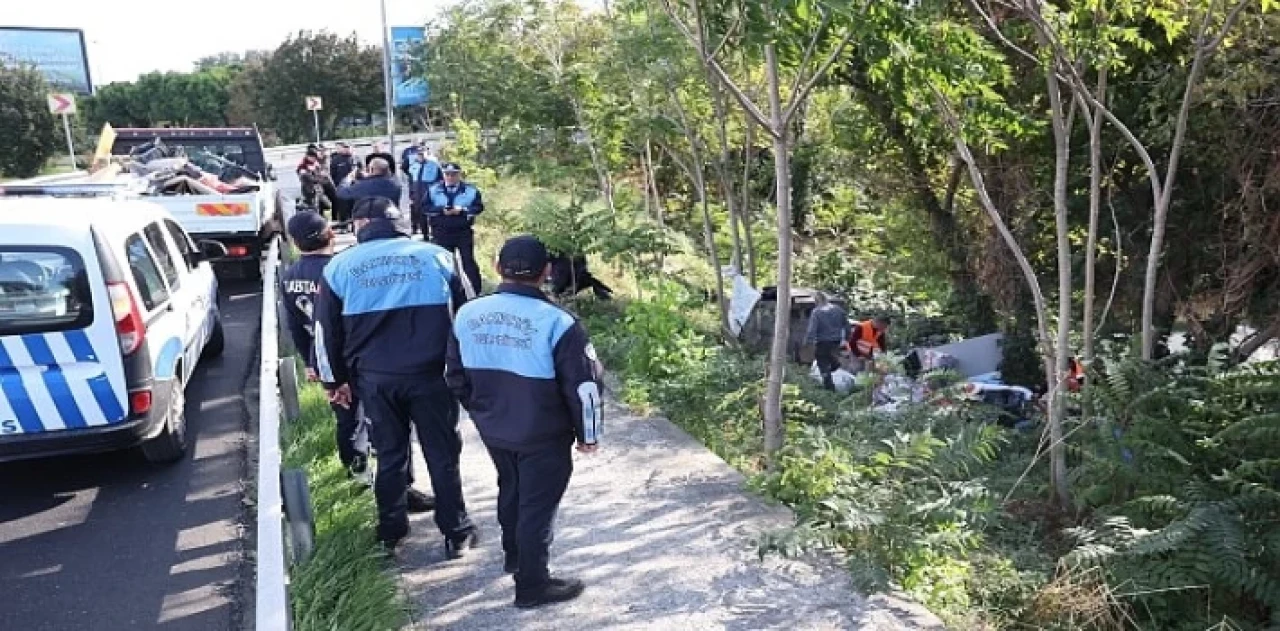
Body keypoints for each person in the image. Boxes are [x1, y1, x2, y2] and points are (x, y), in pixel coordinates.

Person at [445, 235, 603, 609]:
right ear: (546, 272)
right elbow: (585, 387)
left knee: (511, 488)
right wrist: (589, 434)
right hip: (544, 433)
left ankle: (515, 556)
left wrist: (484, 410)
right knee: (537, 506)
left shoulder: (468, 313)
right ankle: (532, 585)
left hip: (495, 429)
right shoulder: (559, 323)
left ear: (497, 268)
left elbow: (453, 375)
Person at [314, 197, 476, 552]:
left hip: (375, 380)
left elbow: (325, 334)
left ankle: (392, 532)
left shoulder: (340, 268)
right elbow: (467, 314)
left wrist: (333, 382)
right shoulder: (438, 256)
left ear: (359, 225)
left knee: (389, 453)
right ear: (398, 221)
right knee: (442, 453)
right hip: (433, 376)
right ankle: (456, 531)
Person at [281, 211, 434, 511]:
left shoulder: (289, 276)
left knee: (348, 423)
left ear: (296, 243)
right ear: (331, 234)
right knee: (389, 426)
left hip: (326, 360)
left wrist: (313, 364)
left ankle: (360, 481)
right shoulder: (343, 269)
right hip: (361, 358)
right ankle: (401, 489)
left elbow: (295, 327)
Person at [425, 162, 484, 294]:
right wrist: (440, 210)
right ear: (443, 175)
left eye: (454, 174)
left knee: (468, 262)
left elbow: (478, 207)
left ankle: (476, 291)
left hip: (463, 232)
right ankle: (445, 291)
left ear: (459, 175)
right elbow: (424, 208)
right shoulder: (433, 189)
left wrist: (462, 210)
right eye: (447, 174)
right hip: (441, 232)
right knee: (443, 263)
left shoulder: (471, 190)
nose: (450, 177)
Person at [804, 292, 850, 390]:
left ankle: (829, 388)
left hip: (823, 341)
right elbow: (847, 325)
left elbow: (812, 329)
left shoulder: (816, 312)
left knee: (822, 362)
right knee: (830, 355)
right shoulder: (838, 310)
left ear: (816, 301)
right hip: (836, 341)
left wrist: (808, 342)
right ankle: (835, 363)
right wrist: (846, 338)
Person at [337, 157, 402, 207]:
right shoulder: (396, 183)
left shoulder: (363, 186)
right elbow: (380, 182)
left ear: (372, 169)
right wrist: (369, 177)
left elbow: (341, 193)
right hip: (392, 219)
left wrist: (348, 178)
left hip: (371, 220)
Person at [407, 147, 442, 236]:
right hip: (417, 192)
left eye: (422, 154)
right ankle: (424, 234)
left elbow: (441, 179)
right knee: (421, 214)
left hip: (430, 192)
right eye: (419, 154)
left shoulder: (434, 165)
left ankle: (435, 234)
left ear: (427, 153)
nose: (420, 156)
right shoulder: (413, 165)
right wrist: (411, 194)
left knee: (432, 214)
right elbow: (411, 180)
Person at [548, 253, 613, 300]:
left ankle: (606, 298)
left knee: (589, 281)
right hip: (568, 278)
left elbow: (582, 267)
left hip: (573, 277)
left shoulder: (563, 260)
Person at [328, 143, 358, 222]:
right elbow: (332, 174)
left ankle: (353, 224)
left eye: (348, 147)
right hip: (342, 187)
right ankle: (343, 225)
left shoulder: (356, 158)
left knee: (354, 206)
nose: (347, 149)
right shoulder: (336, 160)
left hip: (354, 187)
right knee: (342, 207)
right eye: (345, 147)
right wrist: (336, 186)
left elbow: (361, 170)